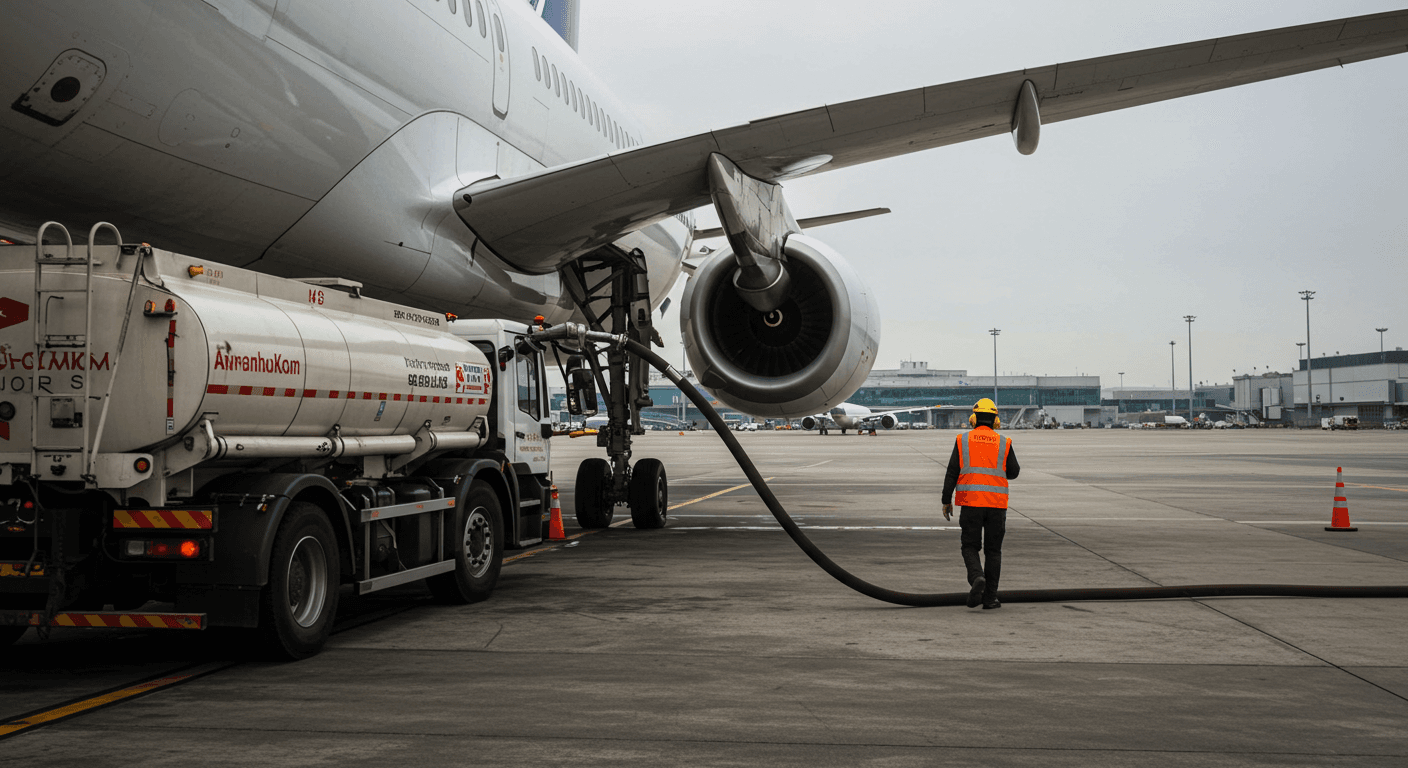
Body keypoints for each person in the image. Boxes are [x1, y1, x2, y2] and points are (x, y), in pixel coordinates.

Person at [942, 398, 1020, 609]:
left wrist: (946, 500)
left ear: (973, 418)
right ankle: (990, 598)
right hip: (996, 505)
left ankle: (977, 577)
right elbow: (1014, 472)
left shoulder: (962, 440)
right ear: (996, 421)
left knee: (969, 546)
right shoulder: (1004, 442)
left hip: (971, 503)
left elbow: (952, 472)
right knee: (993, 551)